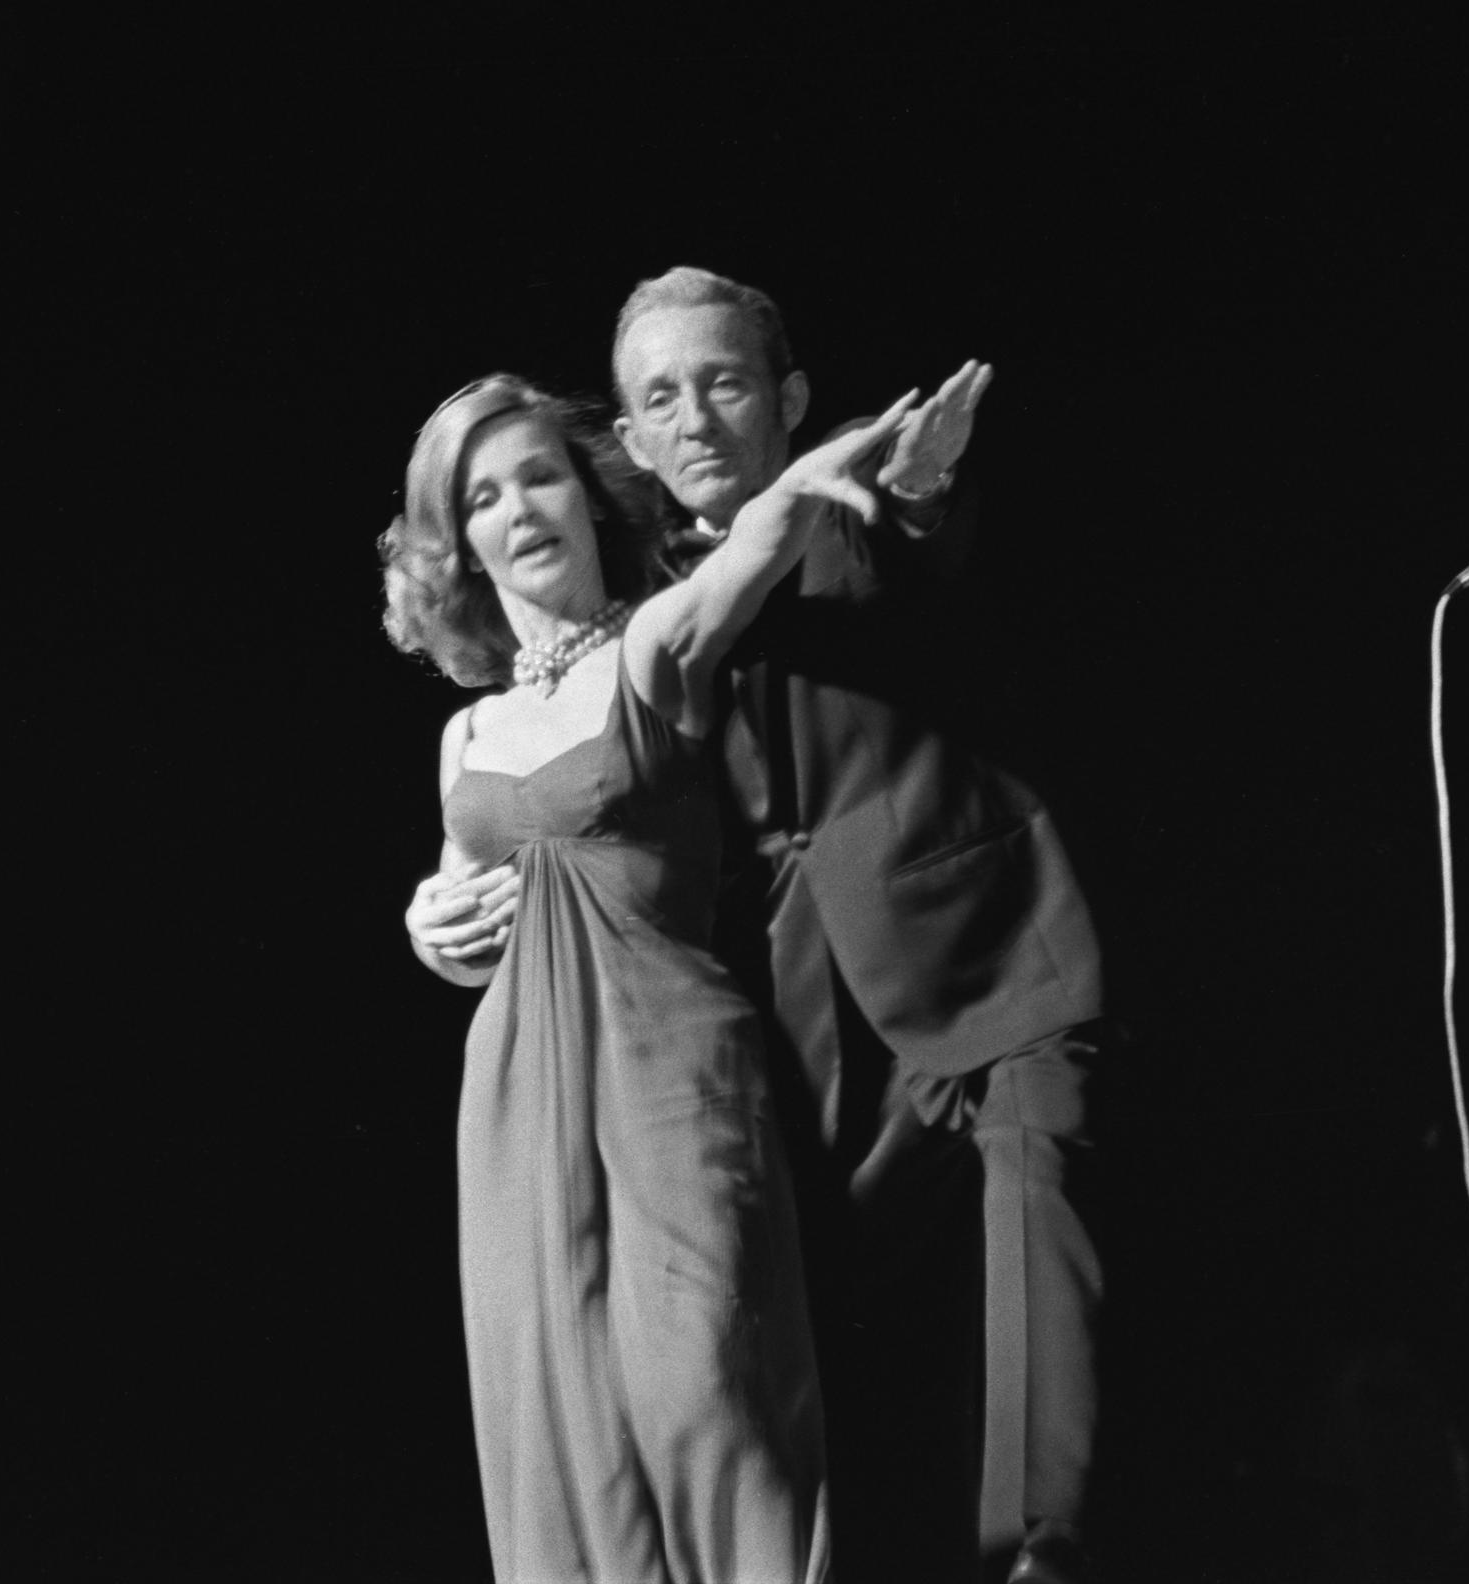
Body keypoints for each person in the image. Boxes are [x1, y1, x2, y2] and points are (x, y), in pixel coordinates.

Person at [609, 266, 1113, 1584]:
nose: (698, 418)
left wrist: (922, 485)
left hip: (988, 964)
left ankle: (1042, 1558)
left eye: (723, 382)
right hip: (794, 1045)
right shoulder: (639, 610)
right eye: (662, 397)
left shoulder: (848, 510)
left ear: (789, 397)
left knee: (1038, 1217)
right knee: (857, 1387)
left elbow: (916, 537)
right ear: (630, 439)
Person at [381, 371, 918, 1584]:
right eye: (482, 496)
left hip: (673, 1065)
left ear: (586, 496)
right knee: (566, 1426)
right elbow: (469, 909)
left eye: (540, 476)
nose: (519, 508)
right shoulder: (467, 736)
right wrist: (430, 926)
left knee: (706, 1391)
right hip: (519, 1103)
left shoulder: (651, 646)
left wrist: (814, 479)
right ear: (458, 543)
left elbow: (743, 565)